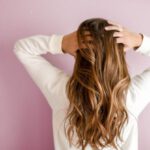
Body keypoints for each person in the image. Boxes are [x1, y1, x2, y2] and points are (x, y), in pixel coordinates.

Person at [13, 18, 150, 150]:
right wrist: (139, 41)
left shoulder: (62, 90)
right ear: (118, 56)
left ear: (78, 54)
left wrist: (61, 42)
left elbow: (22, 49)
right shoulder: (132, 96)